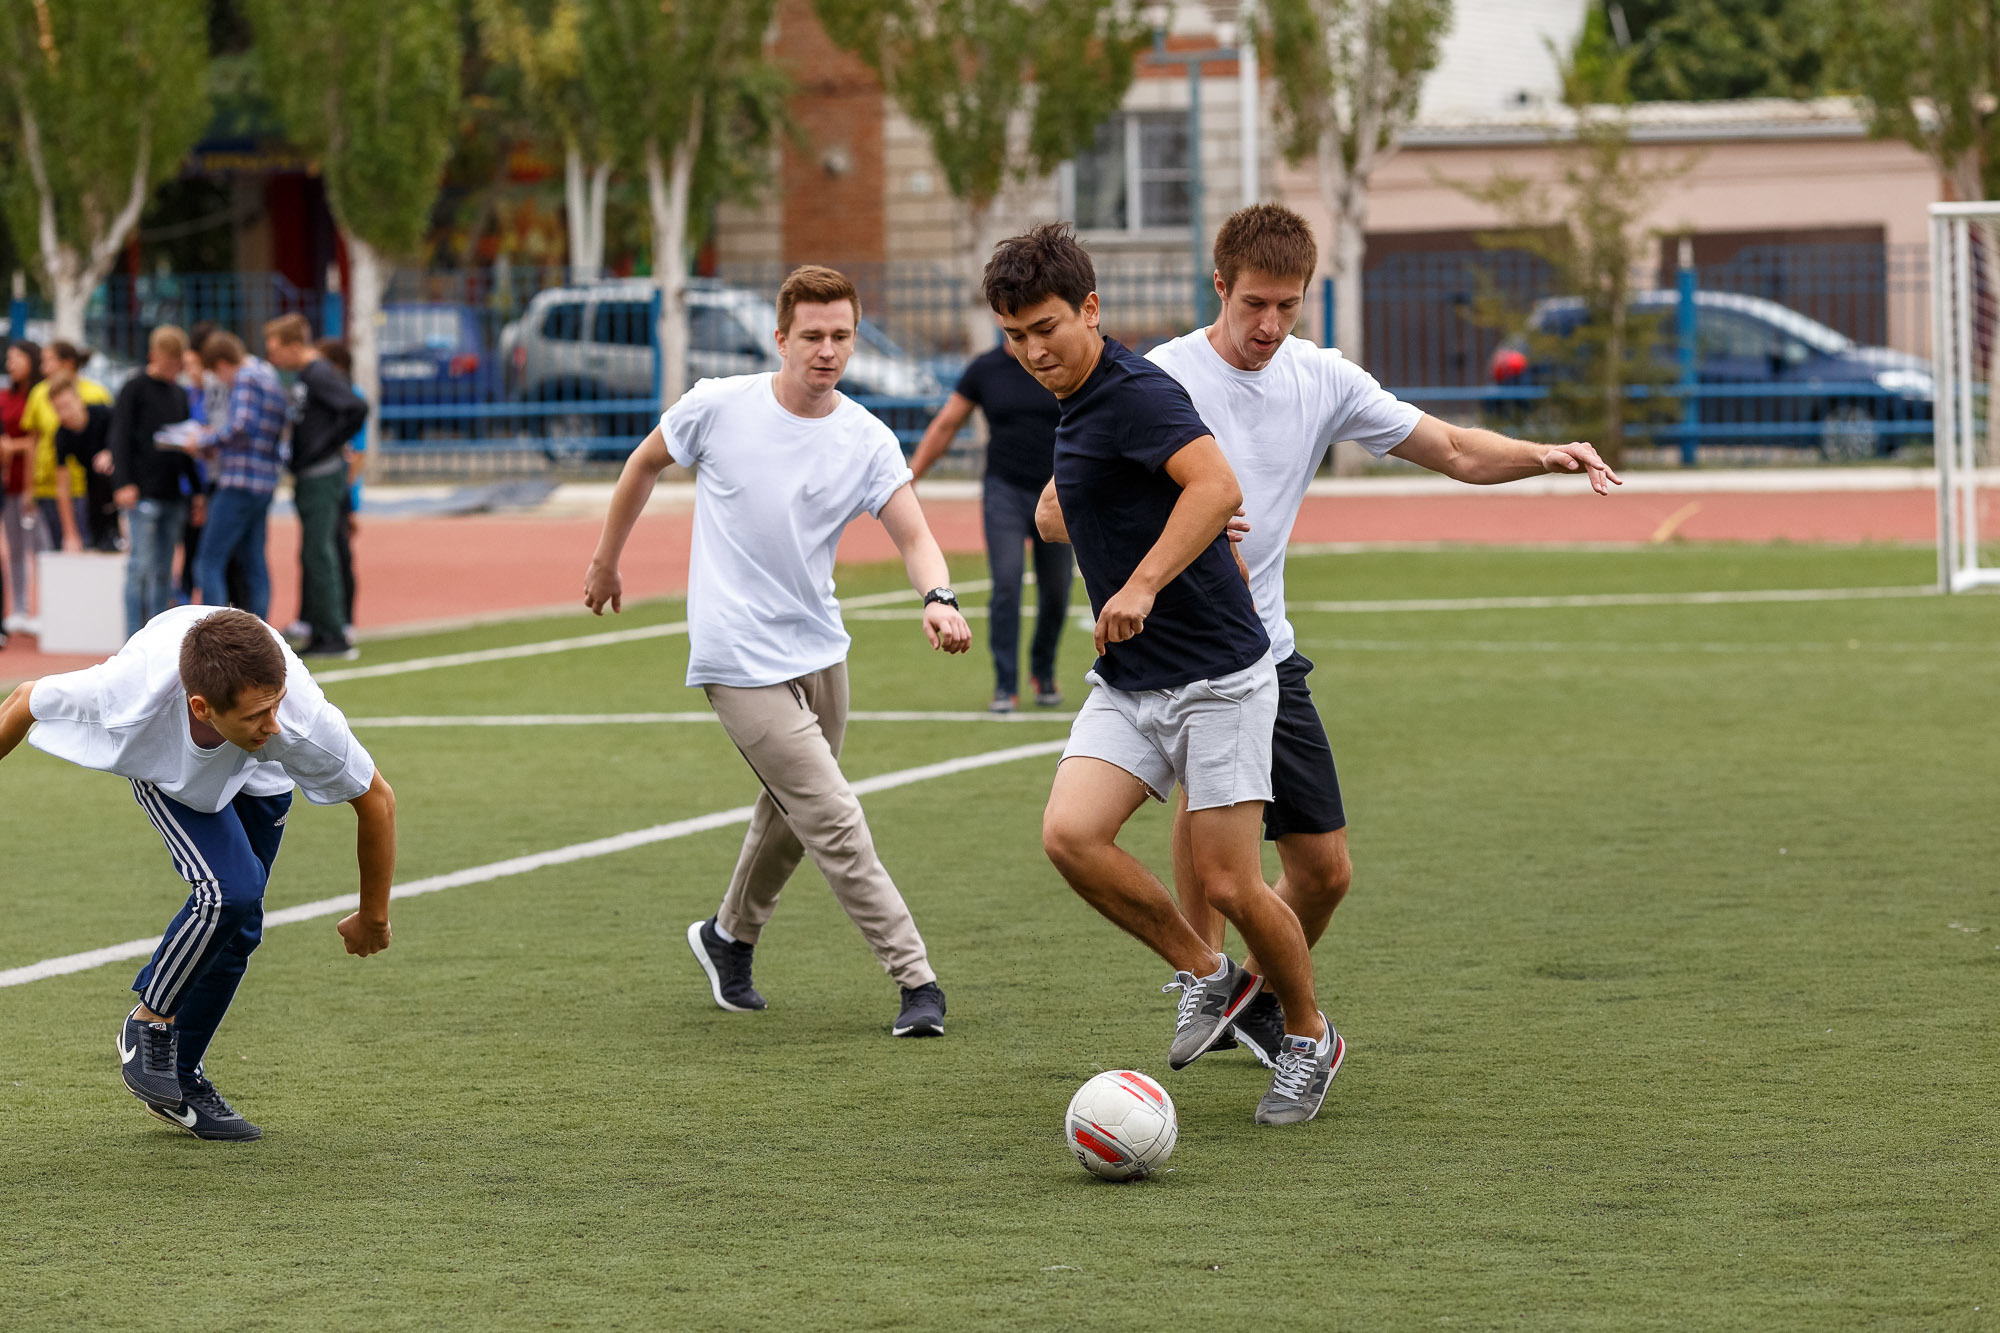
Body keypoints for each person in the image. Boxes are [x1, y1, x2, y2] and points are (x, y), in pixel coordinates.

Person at [1146, 204, 1620, 1066]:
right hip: (1182, 653)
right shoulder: (1160, 381)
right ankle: (1205, 981)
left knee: (1325, 872)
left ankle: (1242, 992)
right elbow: (1067, 507)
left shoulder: (1320, 377)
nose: (1269, 325)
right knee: (1206, 823)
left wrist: (1544, 454)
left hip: (1269, 652)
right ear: (1218, 286)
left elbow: (1455, 450)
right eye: (1253, 303)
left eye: (1288, 307)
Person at [991, 221, 1335, 1126]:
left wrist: (1141, 580)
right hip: (1131, 679)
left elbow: (1217, 487)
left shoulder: (1139, 389)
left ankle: (1308, 1034)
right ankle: (1207, 974)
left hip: (1220, 674)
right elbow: (1067, 511)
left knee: (1230, 883)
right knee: (1070, 835)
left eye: (1048, 327)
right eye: (1016, 334)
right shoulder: (1075, 401)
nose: (1032, 349)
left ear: (1091, 311)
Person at [583, 264, 974, 1039]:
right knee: (832, 814)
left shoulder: (865, 437)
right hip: (735, 655)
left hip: (819, 650)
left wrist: (939, 598)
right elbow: (643, 464)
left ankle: (728, 938)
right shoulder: (718, 405)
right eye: (813, 336)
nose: (827, 351)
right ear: (781, 338)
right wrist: (605, 559)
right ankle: (916, 978)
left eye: (842, 337)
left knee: (793, 814)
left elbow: (915, 534)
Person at [0, 606, 397, 1140]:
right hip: (168, 764)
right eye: (258, 713)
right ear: (202, 707)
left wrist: (373, 917)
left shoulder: (294, 722)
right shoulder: (125, 697)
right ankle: (149, 1022)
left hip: (261, 771)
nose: (273, 722)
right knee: (228, 890)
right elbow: (25, 699)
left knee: (240, 927)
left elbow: (376, 800)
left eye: (276, 705)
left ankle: (179, 1082)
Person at [909, 334, 1072, 713]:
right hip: (1005, 492)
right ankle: (1005, 684)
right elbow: (947, 424)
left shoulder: (1058, 362)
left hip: (1058, 492)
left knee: (1057, 591)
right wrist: (911, 476)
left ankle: (1043, 669)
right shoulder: (985, 370)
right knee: (1006, 584)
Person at [264, 314, 366, 657]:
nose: (274, 358)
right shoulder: (307, 376)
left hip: (321, 473)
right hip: (310, 473)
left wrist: (325, 444)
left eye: (277, 350)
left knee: (320, 553)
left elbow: (356, 407)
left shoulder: (320, 373)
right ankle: (321, 632)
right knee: (312, 552)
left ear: (296, 345)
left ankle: (335, 633)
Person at [108, 325, 199, 638]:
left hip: (173, 493)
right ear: (156, 355)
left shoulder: (179, 393)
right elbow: (118, 436)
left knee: (163, 572)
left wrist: (196, 491)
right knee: (140, 568)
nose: (174, 370)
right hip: (142, 492)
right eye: (170, 363)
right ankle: (132, 638)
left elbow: (184, 444)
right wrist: (123, 482)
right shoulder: (134, 388)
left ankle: (157, 638)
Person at [192, 332, 289, 621]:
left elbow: (241, 426)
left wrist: (206, 442)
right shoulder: (268, 377)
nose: (222, 381)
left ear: (222, 363)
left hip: (239, 480)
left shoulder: (246, 377)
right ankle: (262, 637)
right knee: (254, 563)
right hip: (264, 481)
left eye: (217, 374)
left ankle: (216, 636)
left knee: (208, 561)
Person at [18, 340, 112, 553]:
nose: (64, 415)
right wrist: (70, 533)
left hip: (98, 487)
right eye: (58, 410)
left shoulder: (101, 407)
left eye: (50, 360)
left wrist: (110, 453)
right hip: (57, 485)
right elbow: (61, 482)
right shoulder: (60, 431)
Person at [1, 339, 41, 640]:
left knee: (38, 546)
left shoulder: (39, 395)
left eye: (16, 357)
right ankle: (18, 609)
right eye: (9, 358)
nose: (9, 363)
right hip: (9, 483)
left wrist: (12, 446)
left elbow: (37, 439)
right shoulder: (5, 396)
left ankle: (41, 612)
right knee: (14, 547)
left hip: (35, 483)